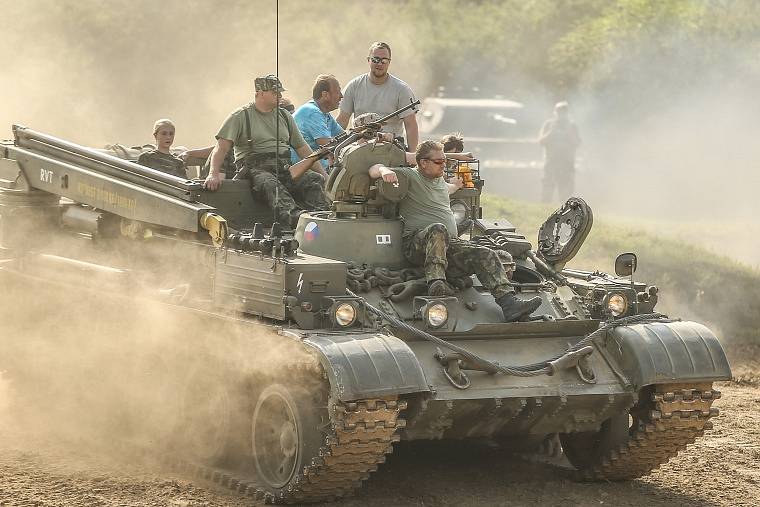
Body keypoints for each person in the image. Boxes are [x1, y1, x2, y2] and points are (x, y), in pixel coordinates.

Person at [368, 140, 542, 322]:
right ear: (422, 162)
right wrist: (384, 171)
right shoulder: (410, 176)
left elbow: (447, 189)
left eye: (444, 161)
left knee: (485, 253)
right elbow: (373, 168)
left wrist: (456, 185)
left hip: (447, 244)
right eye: (439, 162)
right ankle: (436, 283)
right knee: (438, 229)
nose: (444, 164)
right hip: (418, 245)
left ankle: (509, 304)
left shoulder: (440, 182)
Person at [203, 74, 330, 228]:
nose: (280, 96)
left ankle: (322, 219)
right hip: (255, 171)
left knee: (313, 180)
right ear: (260, 93)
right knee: (272, 185)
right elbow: (221, 148)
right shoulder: (241, 116)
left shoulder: (284, 116)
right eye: (275, 93)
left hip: (284, 167)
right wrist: (213, 174)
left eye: (280, 93)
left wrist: (323, 175)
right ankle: (298, 221)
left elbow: (302, 149)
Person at [337, 41, 419, 150]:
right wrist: (334, 148)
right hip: (359, 146)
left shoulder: (402, 89)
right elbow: (342, 120)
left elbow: (411, 126)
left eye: (384, 60)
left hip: (391, 147)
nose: (379, 64)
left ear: (389, 62)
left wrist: (412, 156)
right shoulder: (354, 86)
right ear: (368, 60)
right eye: (375, 59)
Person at [291, 74, 345, 172]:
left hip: (316, 168)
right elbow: (328, 144)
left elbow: (345, 137)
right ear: (325, 95)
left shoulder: (325, 115)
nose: (341, 96)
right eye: (337, 92)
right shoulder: (312, 112)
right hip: (303, 170)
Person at [538, 101, 581, 203]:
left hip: (566, 163)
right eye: (559, 111)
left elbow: (577, 142)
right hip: (551, 162)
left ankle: (564, 214)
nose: (561, 114)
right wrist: (551, 133)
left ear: (567, 113)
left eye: (564, 111)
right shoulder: (548, 124)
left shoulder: (572, 126)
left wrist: (569, 134)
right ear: (555, 112)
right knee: (547, 187)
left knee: (565, 190)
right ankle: (544, 209)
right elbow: (541, 141)